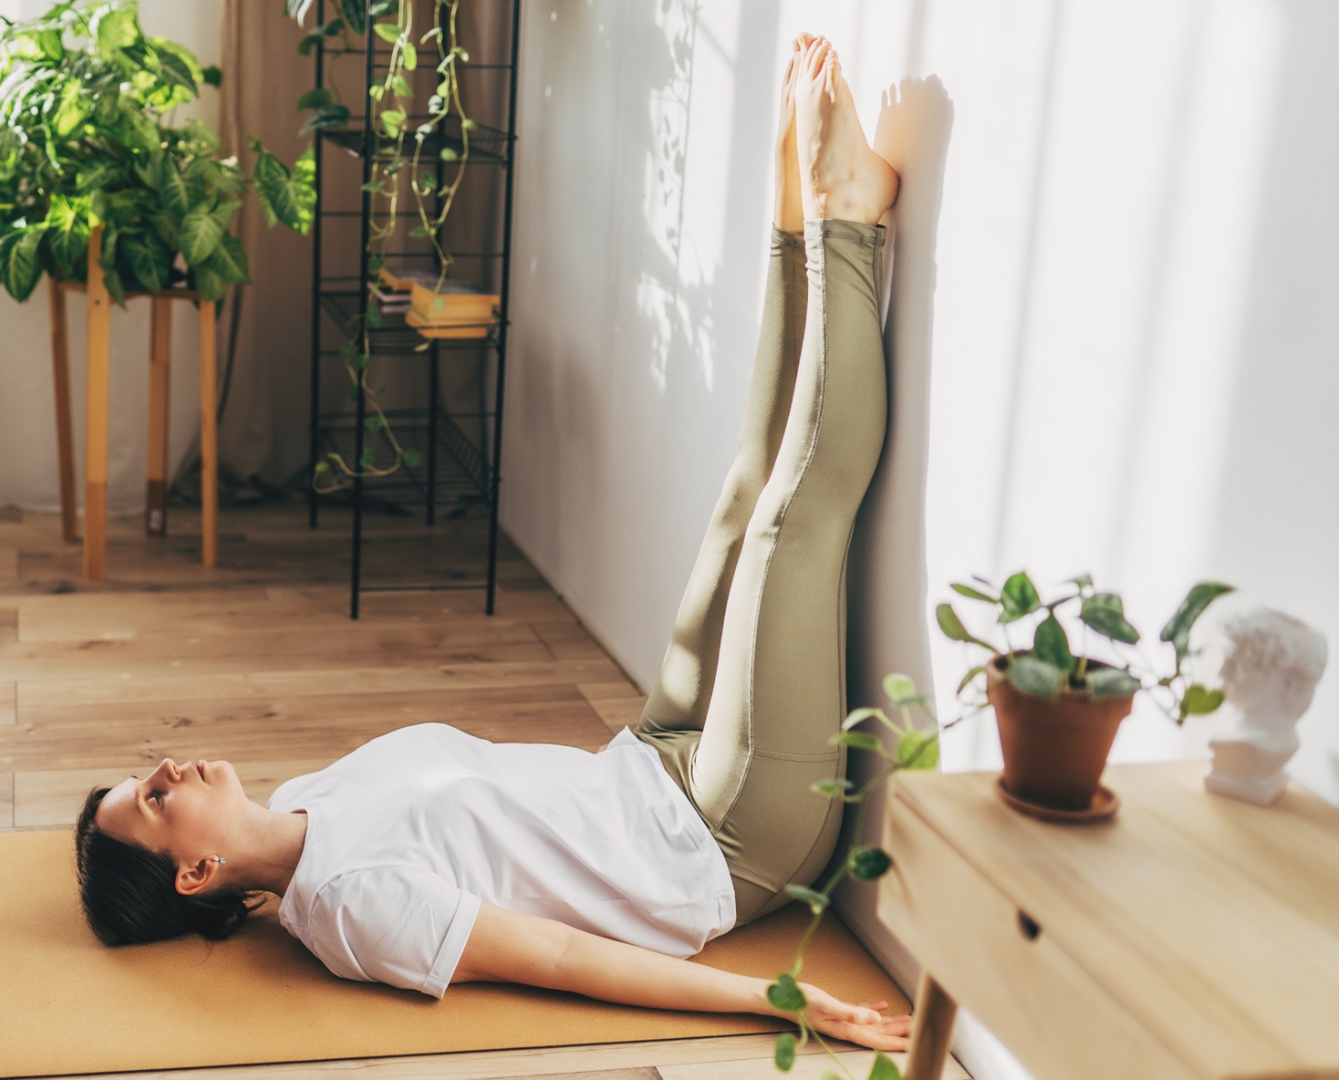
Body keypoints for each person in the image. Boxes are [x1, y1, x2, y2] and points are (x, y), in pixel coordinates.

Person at [74, 35, 910, 1053]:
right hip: (729, 847)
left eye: (144, 772)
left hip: (654, 766)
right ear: (195, 874)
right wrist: (777, 1001)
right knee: (792, 520)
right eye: (154, 801)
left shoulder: (308, 800)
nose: (165, 767)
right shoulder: (348, 910)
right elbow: (554, 959)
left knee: (741, 498)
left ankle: (795, 226)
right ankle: (850, 223)